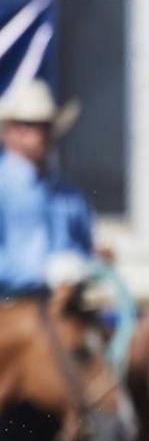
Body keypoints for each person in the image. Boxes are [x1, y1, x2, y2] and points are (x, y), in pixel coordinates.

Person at [0, 78, 93, 296]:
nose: (40, 134)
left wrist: (87, 263)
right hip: (10, 306)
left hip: (62, 305)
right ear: (8, 131)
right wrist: (41, 273)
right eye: (29, 125)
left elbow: (84, 245)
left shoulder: (68, 192)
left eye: (46, 126)